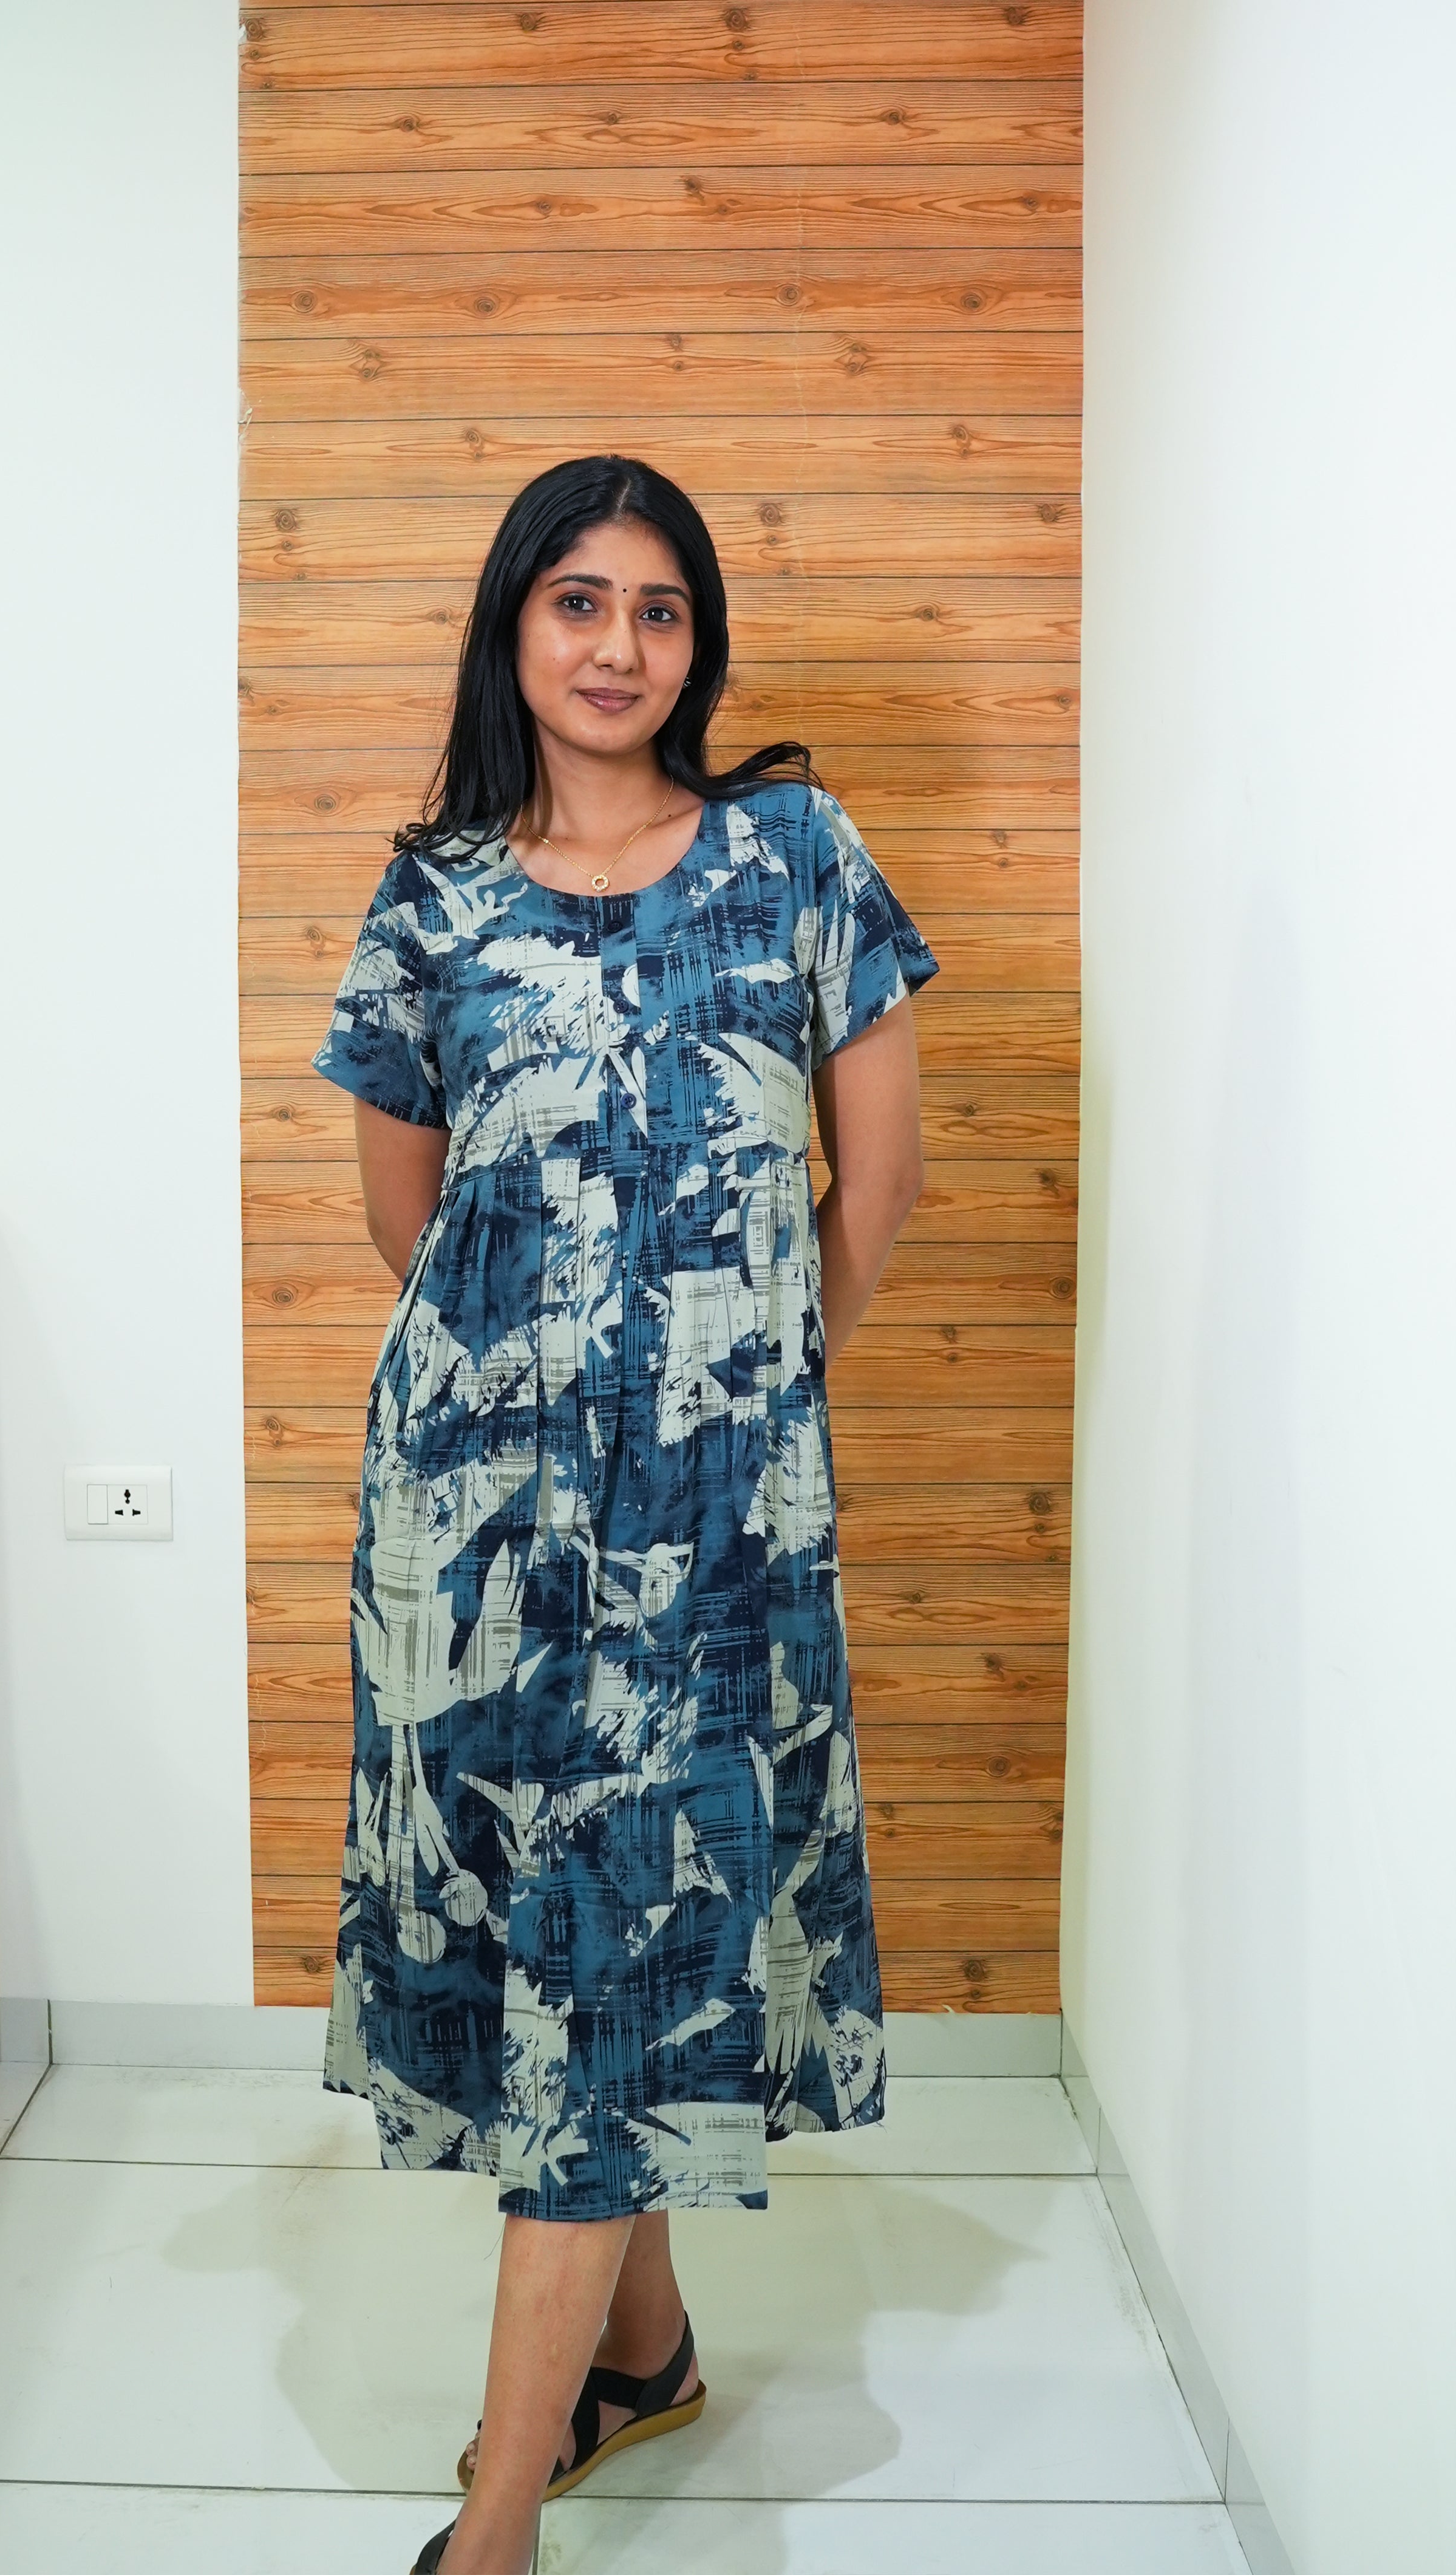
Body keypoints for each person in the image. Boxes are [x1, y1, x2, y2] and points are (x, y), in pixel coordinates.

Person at [312, 454, 937, 2575]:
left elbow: (880, 1184)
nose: (618, 645)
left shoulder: (796, 853)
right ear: (516, 627)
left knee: (620, 1954)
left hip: (720, 1524)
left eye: (659, 609)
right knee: (572, 1956)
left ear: (699, 645)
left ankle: (496, 2519)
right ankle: (643, 2359)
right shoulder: (433, 893)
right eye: (577, 601)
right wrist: (538, 1398)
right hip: (472, 1523)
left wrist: (731, 1391)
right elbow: (413, 1214)